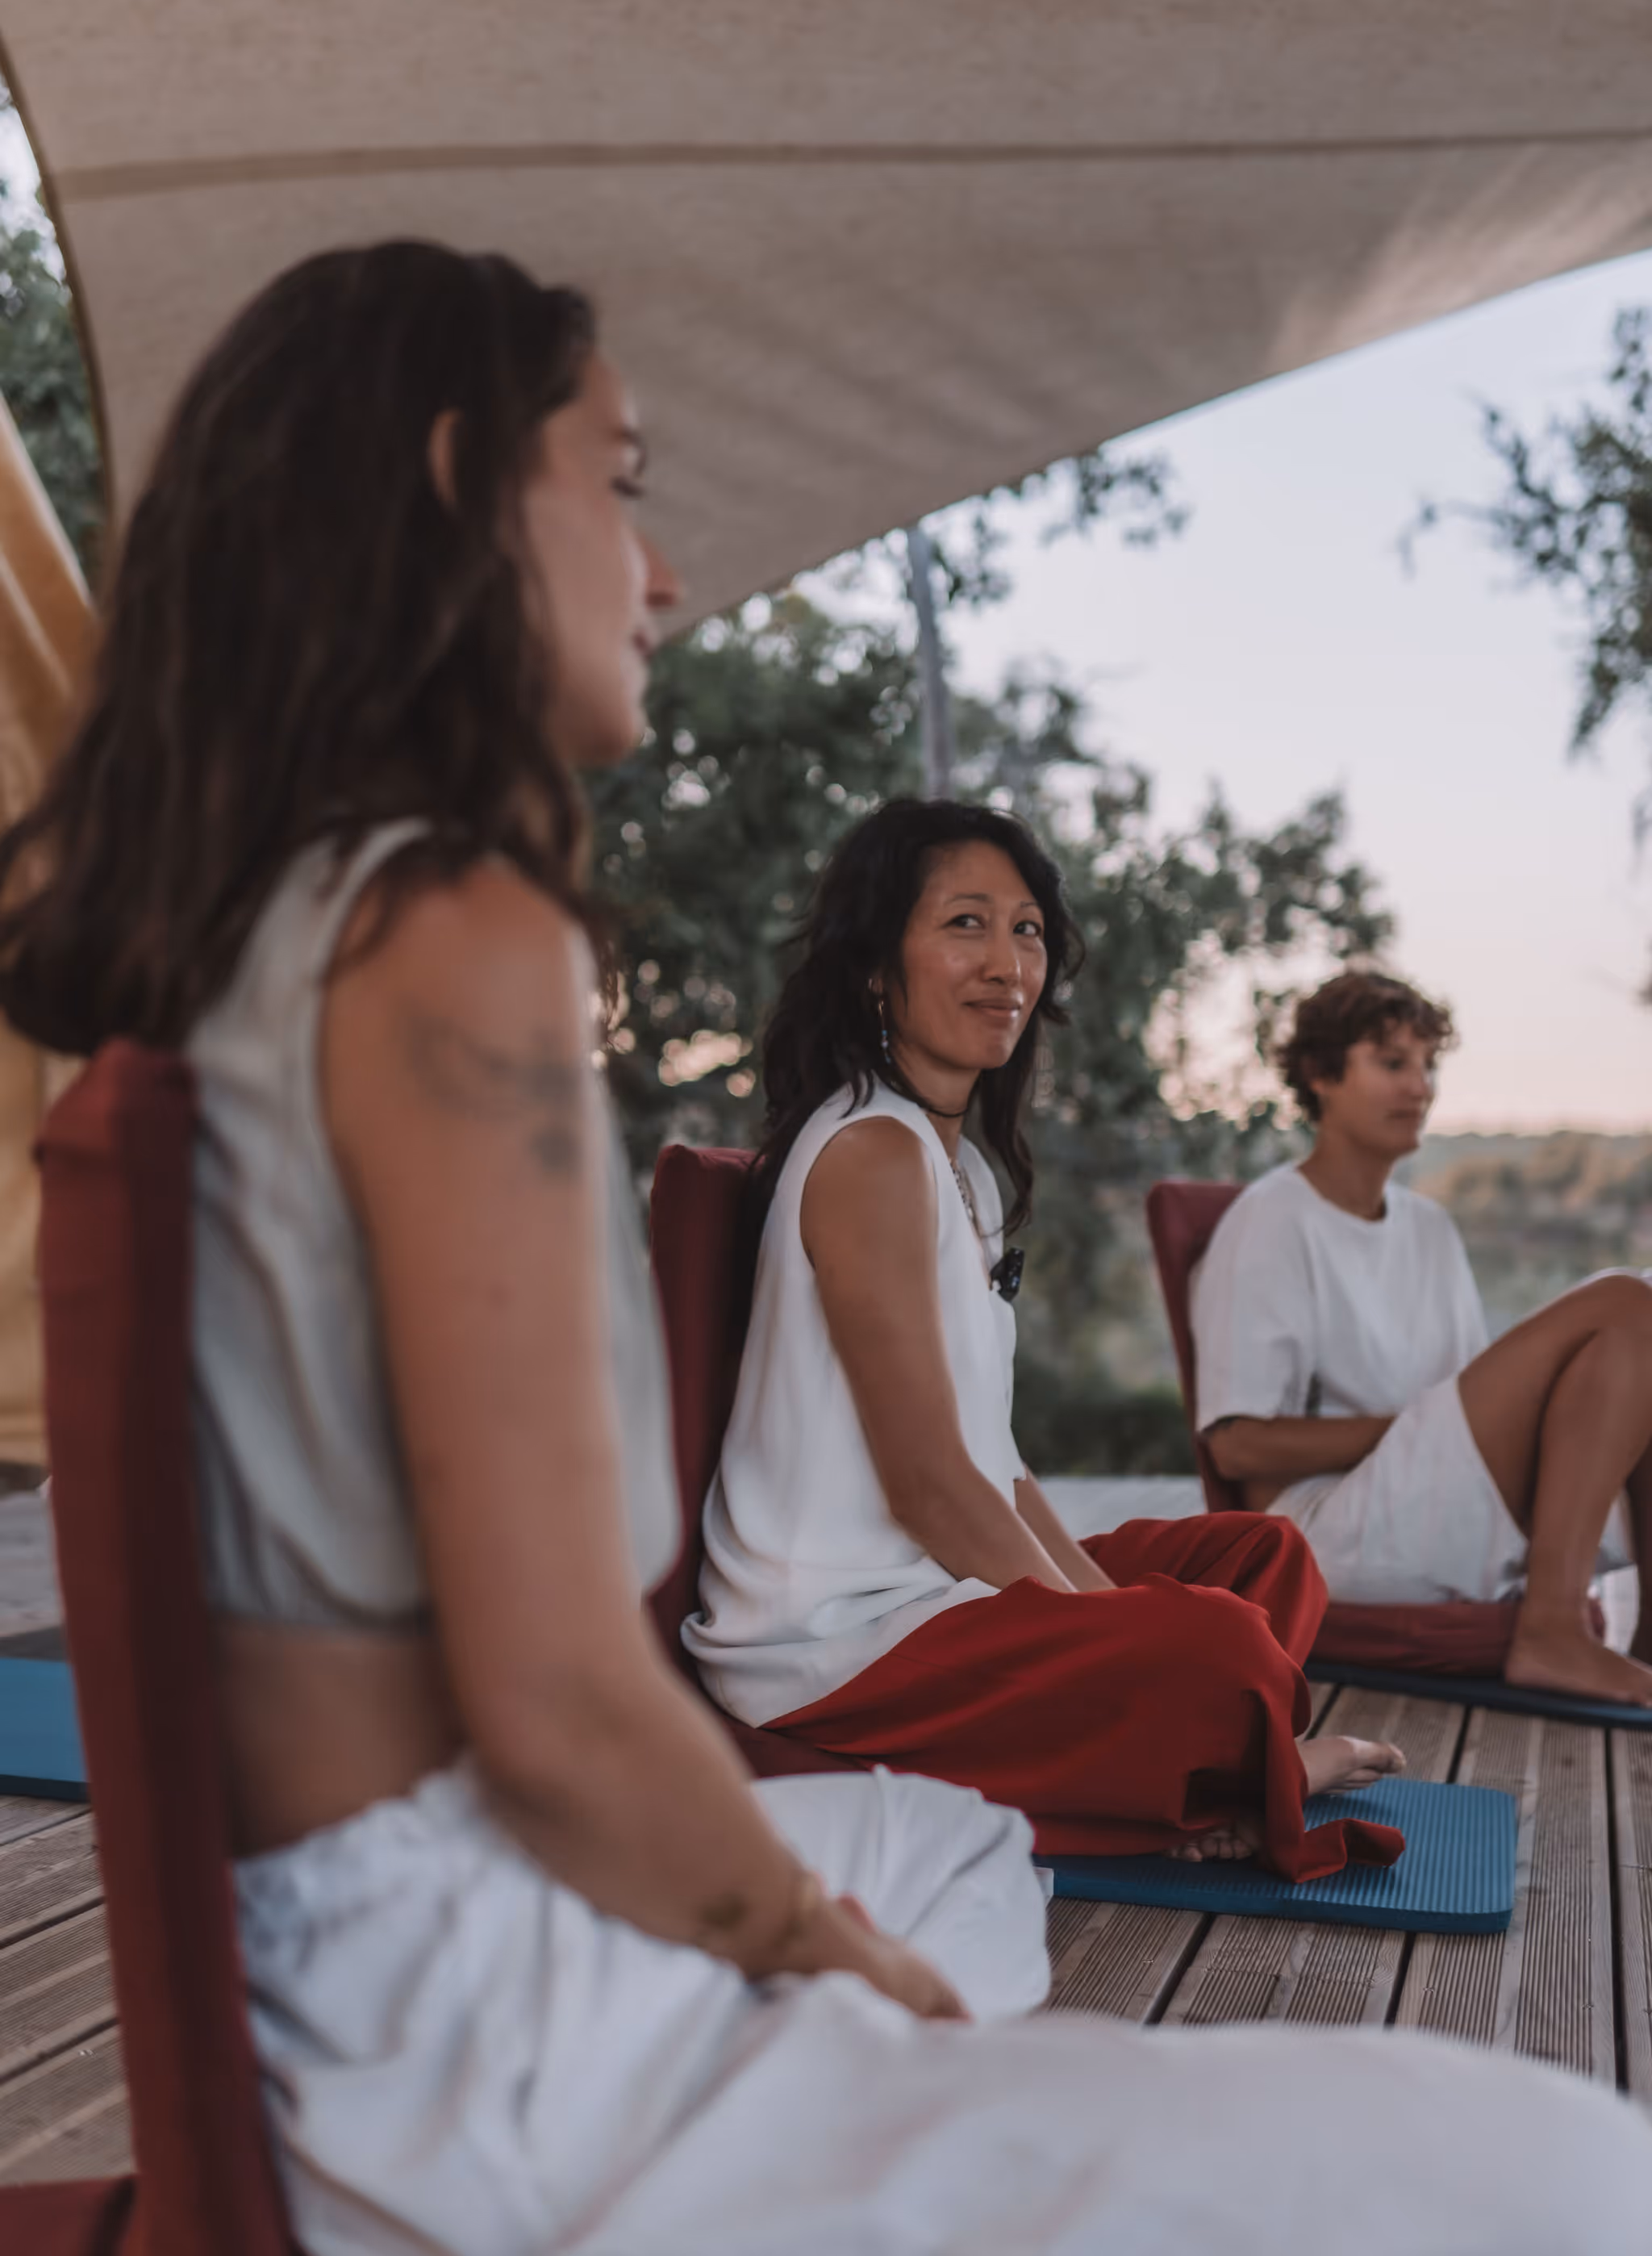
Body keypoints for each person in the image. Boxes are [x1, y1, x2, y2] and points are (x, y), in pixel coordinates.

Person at [1, 243, 1646, 2255]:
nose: (663, 568)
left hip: (373, 2023)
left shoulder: (262, 961)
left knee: (956, 1862)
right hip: (504, 2059)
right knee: (1582, 2175)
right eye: (614, 482)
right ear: (456, 487)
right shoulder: (448, 932)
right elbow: (559, 1702)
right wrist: (825, 1962)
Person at [688, 798, 1406, 1876]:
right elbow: (932, 1489)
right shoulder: (871, 1155)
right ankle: (1232, 1770)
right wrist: (1119, 1639)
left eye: (1025, 930)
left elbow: (996, 1464)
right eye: (964, 924)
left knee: (1263, 1558)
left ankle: (1196, 1765)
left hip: (939, 1599)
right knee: (1212, 1648)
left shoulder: (961, 1171)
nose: (1006, 963)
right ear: (877, 966)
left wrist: (1112, 1621)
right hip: (834, 1646)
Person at [1191, 969, 1652, 1705]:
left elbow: (1462, 1413)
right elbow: (1238, 1447)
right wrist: (1417, 1428)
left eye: (1428, 1065)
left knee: (1629, 1346)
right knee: (1630, 1298)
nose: (1421, 1087)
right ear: (1320, 1076)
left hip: (1432, 1492)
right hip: (1329, 1532)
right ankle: (1554, 1631)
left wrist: (1472, 1428)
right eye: (1392, 1063)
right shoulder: (1271, 1222)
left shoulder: (1429, 1229)